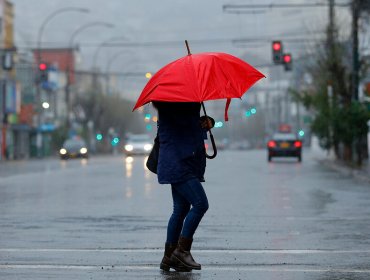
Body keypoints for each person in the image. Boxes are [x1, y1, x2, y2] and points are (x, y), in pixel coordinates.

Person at [152, 101, 214, 272]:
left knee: (180, 209)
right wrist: (201, 123)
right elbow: (184, 129)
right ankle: (182, 251)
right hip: (179, 164)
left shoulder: (180, 103)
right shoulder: (171, 104)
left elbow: (188, 128)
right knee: (201, 204)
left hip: (182, 163)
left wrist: (206, 122)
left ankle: (169, 257)